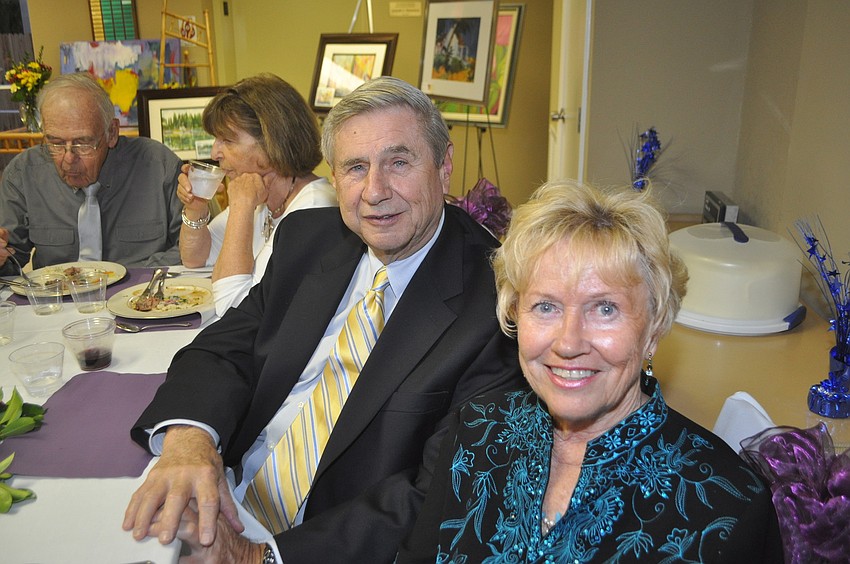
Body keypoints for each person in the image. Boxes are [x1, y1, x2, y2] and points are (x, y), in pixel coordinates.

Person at [122, 76, 523, 563]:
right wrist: (190, 444)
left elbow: (436, 495)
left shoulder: (499, 306)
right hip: (221, 493)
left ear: (444, 167)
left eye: (399, 162)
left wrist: (259, 559)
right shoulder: (308, 239)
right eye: (355, 167)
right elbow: (223, 347)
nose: (375, 192)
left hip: (316, 544)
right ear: (334, 177)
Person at [398, 181, 784, 562]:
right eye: (546, 307)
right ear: (515, 314)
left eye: (604, 309)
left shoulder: (730, 505)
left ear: (655, 327)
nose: (569, 343)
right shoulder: (475, 432)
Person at [178, 74, 337, 316]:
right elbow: (196, 258)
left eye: (227, 140)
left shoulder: (313, 211)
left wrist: (241, 206)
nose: (214, 152)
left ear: (271, 143)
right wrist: (197, 206)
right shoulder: (263, 196)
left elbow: (233, 306)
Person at [0, 72, 183, 275]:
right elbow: (11, 262)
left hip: (140, 294)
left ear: (111, 133)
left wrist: (138, 276)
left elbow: (191, 248)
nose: (68, 158)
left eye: (83, 143)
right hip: (57, 300)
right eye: (56, 143)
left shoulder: (158, 167)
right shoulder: (23, 174)